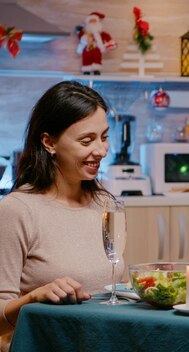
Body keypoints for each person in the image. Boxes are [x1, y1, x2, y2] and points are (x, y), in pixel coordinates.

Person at [0, 81, 124, 344]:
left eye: (104, 137)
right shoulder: (17, 211)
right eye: (86, 140)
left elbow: (117, 292)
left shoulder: (106, 204)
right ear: (49, 142)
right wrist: (33, 298)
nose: (101, 151)